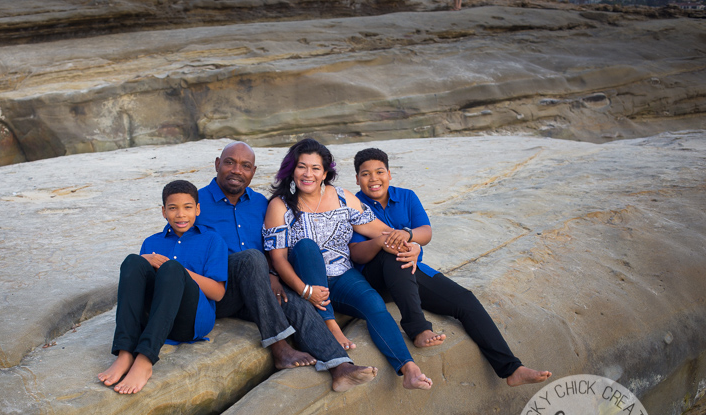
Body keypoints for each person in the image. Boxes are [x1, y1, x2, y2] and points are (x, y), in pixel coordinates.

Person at [349, 147, 552, 387]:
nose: (374, 179)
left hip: (409, 271)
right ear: (357, 179)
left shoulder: (406, 196)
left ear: (390, 174)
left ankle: (511, 368)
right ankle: (418, 329)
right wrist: (384, 243)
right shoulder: (354, 205)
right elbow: (357, 255)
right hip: (375, 278)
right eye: (365, 174)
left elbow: (426, 232)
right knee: (394, 256)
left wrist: (409, 237)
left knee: (464, 300)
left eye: (379, 171)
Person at [197, 141, 377, 392]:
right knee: (251, 258)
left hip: (257, 290)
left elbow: (272, 249)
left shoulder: (261, 203)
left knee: (297, 303)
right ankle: (280, 348)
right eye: (229, 162)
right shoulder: (195, 203)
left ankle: (340, 367)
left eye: (245, 166)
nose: (237, 170)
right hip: (220, 292)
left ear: (253, 171)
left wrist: (271, 275)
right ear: (217, 164)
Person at [264, 138, 433, 390]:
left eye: (315, 168)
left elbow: (382, 231)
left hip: (342, 276)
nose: (308, 174)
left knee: (374, 304)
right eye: (302, 167)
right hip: (304, 280)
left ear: (325, 173)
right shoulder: (280, 205)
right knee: (307, 247)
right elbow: (277, 258)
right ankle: (330, 325)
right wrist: (304, 290)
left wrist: (411, 242)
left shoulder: (343, 198)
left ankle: (408, 368)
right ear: (292, 170)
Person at [98, 180, 228, 394]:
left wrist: (181, 271)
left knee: (173, 268)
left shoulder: (212, 240)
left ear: (197, 209)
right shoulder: (152, 242)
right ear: (163, 211)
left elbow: (218, 292)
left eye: (187, 207)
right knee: (132, 261)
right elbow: (138, 289)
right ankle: (125, 353)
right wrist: (145, 261)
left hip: (190, 321)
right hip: (155, 319)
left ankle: (145, 359)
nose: (180, 214)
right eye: (173, 208)